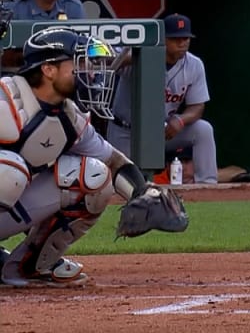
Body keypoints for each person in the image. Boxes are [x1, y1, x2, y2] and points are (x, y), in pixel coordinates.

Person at [0, 27, 155, 286]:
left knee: (94, 177)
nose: (90, 72)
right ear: (48, 70)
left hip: (10, 209)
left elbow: (113, 161)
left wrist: (145, 195)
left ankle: (30, 267)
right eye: (79, 63)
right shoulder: (5, 100)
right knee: (10, 170)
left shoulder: (71, 117)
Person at [107, 14, 219, 185]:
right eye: (176, 39)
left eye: (186, 39)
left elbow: (197, 106)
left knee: (203, 130)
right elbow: (106, 62)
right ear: (162, 38)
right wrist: (134, 58)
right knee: (122, 185)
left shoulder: (194, 64)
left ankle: (207, 188)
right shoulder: (136, 55)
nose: (182, 43)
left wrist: (180, 120)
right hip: (125, 132)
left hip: (161, 131)